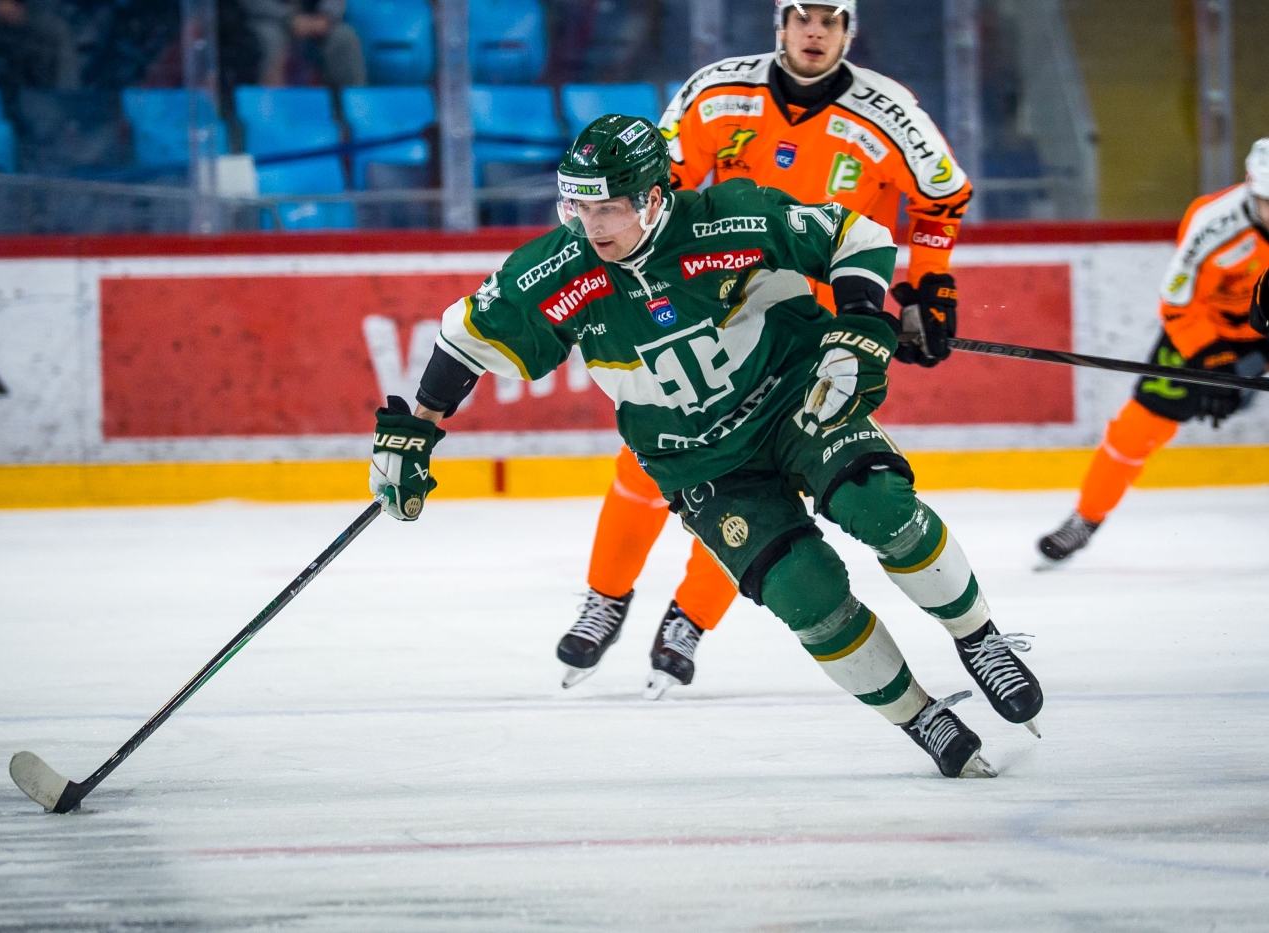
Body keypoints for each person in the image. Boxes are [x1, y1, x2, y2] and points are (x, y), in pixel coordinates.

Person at [366, 115, 1042, 778]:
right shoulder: (557, 269)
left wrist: (860, 321)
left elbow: (855, 235)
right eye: (578, 207)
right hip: (697, 459)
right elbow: (464, 340)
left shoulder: (728, 217)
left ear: (653, 198)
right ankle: (920, 716)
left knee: (880, 505)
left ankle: (979, 640)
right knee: (804, 593)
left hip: (796, 399)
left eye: (607, 208)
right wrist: (415, 431)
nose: (591, 226)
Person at [570, 0, 977, 699]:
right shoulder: (715, 92)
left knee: (761, 485)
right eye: (802, 17)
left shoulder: (890, 112)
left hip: (810, 343)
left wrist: (929, 285)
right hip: (716, 315)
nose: (815, 32)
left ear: (849, 30)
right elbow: (651, 187)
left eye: (830, 20)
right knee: (648, 458)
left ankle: (690, 620)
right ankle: (605, 597)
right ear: (780, 24)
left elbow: (943, 195)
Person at [1038, 139, 1269, 564]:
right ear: (1251, 188)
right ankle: (1085, 519)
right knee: (1135, 430)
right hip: (1208, 333)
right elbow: (1177, 302)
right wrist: (1214, 362)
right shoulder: (1214, 221)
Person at [239, 0, 365, 95]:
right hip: (269, 18)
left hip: (316, 18)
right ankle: (265, 106)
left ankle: (352, 109)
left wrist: (326, 17)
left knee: (344, 37)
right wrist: (289, 18)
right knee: (267, 37)